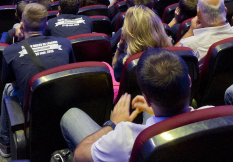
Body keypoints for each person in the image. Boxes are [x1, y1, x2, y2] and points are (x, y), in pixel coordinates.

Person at [60, 48, 193, 162]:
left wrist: (112, 125)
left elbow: (79, 155)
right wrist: (152, 109)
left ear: (146, 98)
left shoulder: (124, 138)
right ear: (189, 80)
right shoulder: (212, 114)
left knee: (71, 115)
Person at [0, 3, 76, 157]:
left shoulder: (10, 51)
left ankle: (4, 141)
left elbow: (12, 82)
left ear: (21, 25)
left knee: (8, 89)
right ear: (46, 25)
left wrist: (18, 42)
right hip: (64, 104)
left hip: (33, 111)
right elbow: (71, 73)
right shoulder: (65, 43)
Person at [176, 0, 233, 65]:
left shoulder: (189, 45)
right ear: (225, 11)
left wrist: (190, 31)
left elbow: (169, 59)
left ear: (198, 14)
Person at [112, 6, 172, 81]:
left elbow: (115, 71)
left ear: (130, 33)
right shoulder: (173, 56)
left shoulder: (125, 61)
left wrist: (121, 45)